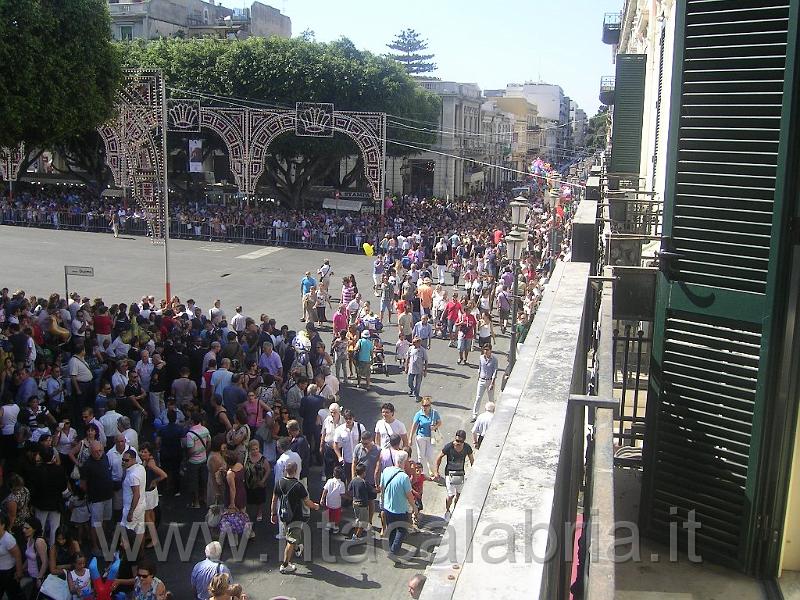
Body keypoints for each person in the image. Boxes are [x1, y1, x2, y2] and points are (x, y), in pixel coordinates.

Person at [270, 461, 319, 574]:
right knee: (291, 540)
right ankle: (285, 564)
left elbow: (274, 500)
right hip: (296, 517)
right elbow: (307, 502)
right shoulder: (299, 486)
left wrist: (273, 514)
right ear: (296, 471)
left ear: (285, 470)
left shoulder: (279, 483)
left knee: (291, 535)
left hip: (284, 515)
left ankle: (297, 548)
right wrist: (315, 506)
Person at [379, 450, 418, 559]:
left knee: (391, 529)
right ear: (404, 463)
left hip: (387, 507)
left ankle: (391, 547)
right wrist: (415, 508)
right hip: (400, 510)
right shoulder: (404, 477)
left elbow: (382, 488)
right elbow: (409, 496)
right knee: (402, 530)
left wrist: (383, 502)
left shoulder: (386, 471)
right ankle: (393, 551)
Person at [80, 440, 113, 554]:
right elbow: (83, 484)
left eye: (100, 450)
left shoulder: (105, 458)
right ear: (90, 452)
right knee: (95, 524)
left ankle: (102, 542)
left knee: (105, 521)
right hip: (96, 499)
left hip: (108, 496)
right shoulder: (87, 465)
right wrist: (92, 492)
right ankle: (95, 546)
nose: (99, 453)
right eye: (96, 452)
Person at [435, 430, 474, 519]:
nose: (457, 443)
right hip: (449, 473)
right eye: (456, 440)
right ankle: (448, 510)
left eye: (460, 441)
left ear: (464, 441)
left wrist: (473, 472)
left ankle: (456, 509)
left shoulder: (467, 448)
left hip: (460, 473)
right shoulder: (449, 447)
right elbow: (439, 457)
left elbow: (472, 460)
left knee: (459, 494)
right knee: (451, 494)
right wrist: (436, 471)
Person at [121, 448, 147, 556]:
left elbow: (136, 494)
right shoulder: (140, 468)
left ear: (133, 460)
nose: (123, 462)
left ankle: (127, 555)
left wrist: (131, 512)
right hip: (141, 505)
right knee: (140, 530)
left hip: (132, 507)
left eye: (126, 460)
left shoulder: (132, 476)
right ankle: (140, 554)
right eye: (123, 459)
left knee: (125, 532)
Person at [410, 397, 442, 479]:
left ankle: (431, 470)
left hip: (431, 437)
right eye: (424, 405)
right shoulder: (419, 414)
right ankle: (421, 473)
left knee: (430, 456)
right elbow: (414, 426)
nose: (425, 407)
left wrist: (435, 427)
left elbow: (439, 422)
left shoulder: (434, 413)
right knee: (421, 456)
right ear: (421, 405)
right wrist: (410, 438)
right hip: (421, 437)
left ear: (430, 405)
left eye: (427, 405)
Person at [184, 412, 211, 509]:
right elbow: (209, 442)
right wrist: (204, 452)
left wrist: (189, 456)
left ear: (192, 421)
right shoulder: (205, 430)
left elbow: (190, 449)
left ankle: (196, 502)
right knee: (203, 480)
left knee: (194, 482)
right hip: (204, 459)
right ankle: (204, 498)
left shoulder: (190, 434)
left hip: (193, 462)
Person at [20, 517, 48, 597]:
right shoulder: (29, 539)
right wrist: (21, 569)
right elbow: (29, 558)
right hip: (30, 575)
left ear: (34, 529)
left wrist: (39, 578)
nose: (24, 530)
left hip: (36, 577)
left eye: (27, 528)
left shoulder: (39, 542)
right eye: (23, 527)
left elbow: (45, 562)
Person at [244, 439, 270, 523]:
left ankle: (259, 512)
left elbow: (268, 470)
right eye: (253, 449)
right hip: (249, 483)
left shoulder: (263, 459)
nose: (255, 451)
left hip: (259, 483)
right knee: (248, 498)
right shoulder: (246, 458)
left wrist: (263, 480)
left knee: (259, 499)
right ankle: (247, 513)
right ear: (249, 449)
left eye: (256, 449)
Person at [0, 512, 24, 600]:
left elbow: (17, 556)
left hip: (8, 573)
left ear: (3, 525)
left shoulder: (8, 539)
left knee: (15, 595)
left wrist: (19, 572)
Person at [472, 344, 499, 422]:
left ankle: (492, 414)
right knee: (478, 397)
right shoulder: (481, 358)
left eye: (487, 349)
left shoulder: (494, 360)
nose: (485, 351)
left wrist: (492, 383)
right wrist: (479, 377)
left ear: (490, 350)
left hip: (490, 380)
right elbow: (480, 367)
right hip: (481, 380)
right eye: (484, 349)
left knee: (491, 399)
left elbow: (495, 371)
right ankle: (474, 415)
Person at [320, 466, 345, 534]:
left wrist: (322, 499)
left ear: (333, 474)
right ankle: (335, 527)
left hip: (329, 503)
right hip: (337, 505)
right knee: (336, 517)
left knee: (328, 515)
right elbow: (342, 495)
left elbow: (325, 490)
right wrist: (349, 498)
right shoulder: (342, 484)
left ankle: (328, 525)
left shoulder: (329, 481)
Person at [405, 337, 428, 401]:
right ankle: (412, 389)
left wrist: (425, 370)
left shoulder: (423, 350)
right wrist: (406, 367)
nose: (413, 343)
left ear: (419, 343)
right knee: (409, 382)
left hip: (419, 370)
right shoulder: (410, 348)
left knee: (418, 384)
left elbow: (426, 360)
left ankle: (417, 395)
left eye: (414, 342)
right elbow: (407, 358)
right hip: (411, 369)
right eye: (413, 342)